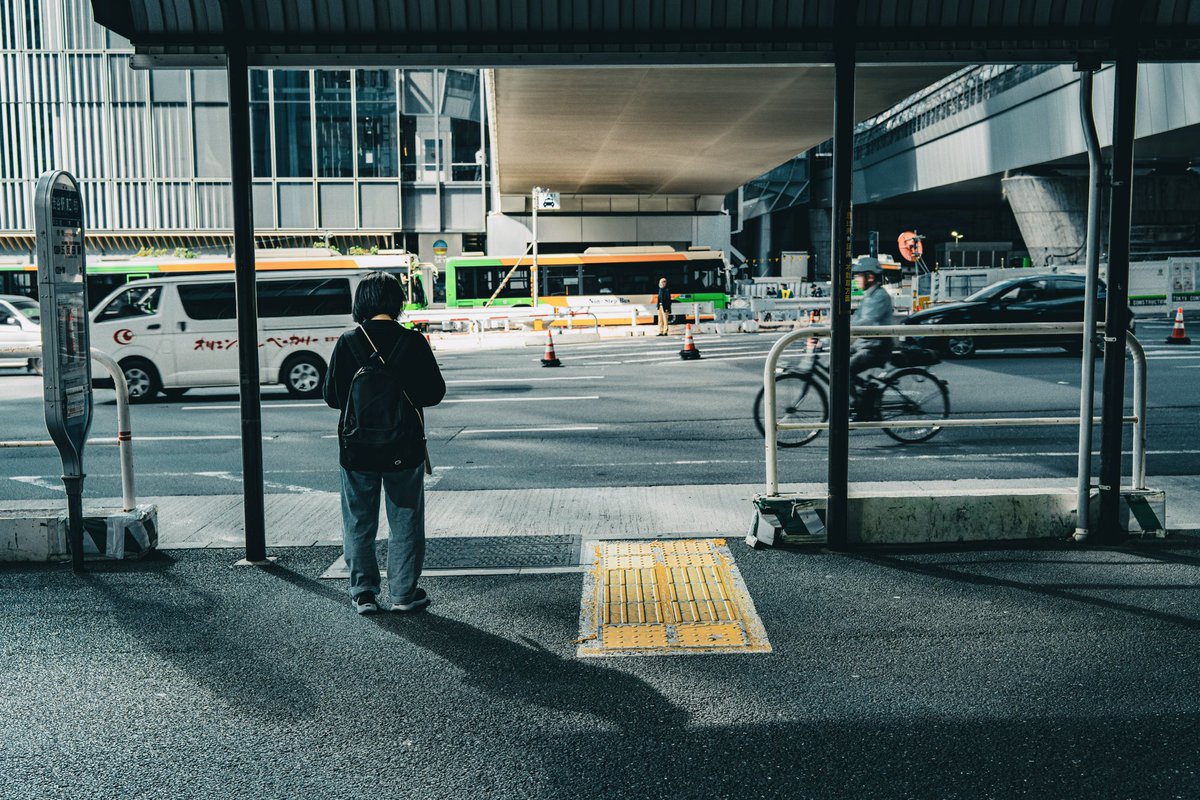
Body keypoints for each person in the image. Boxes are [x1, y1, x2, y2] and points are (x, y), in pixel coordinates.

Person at [324, 272, 446, 615]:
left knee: (359, 520)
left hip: (356, 449)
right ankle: (404, 593)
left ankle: (363, 593)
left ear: (361, 302)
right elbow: (433, 394)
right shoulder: (413, 341)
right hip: (403, 448)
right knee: (405, 518)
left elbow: (332, 397)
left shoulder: (348, 342)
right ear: (397, 302)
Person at [849, 258, 895, 419]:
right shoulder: (869, 295)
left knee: (844, 369)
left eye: (858, 276)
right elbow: (855, 321)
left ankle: (857, 405)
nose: (855, 280)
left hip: (877, 347)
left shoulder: (879, 296)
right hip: (866, 344)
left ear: (870, 277)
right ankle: (868, 391)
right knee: (832, 364)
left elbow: (866, 322)